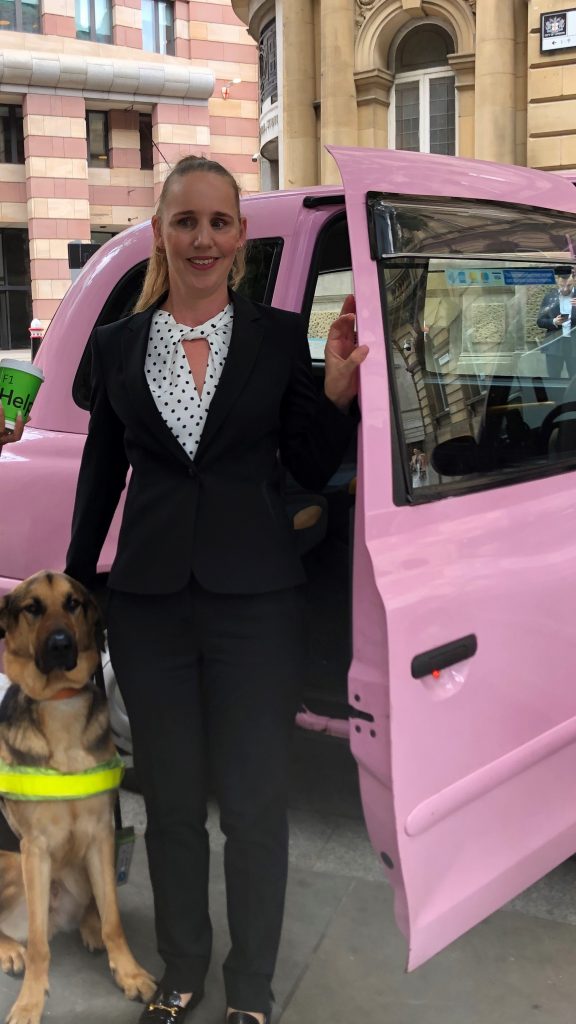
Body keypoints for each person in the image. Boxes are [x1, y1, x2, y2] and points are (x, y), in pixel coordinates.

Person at [65, 155, 368, 1024]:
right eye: (186, 221)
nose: (203, 238)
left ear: (240, 238)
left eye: (219, 222)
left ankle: (253, 990)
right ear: (163, 232)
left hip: (257, 607)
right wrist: (80, 600)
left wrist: (337, 394)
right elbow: (99, 481)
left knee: (254, 804)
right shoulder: (120, 345)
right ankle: (185, 970)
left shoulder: (277, 341)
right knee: (168, 805)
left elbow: (308, 464)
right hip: (152, 609)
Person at [536, 264, 576, 379]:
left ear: (574, 279)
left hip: (574, 345)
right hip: (554, 345)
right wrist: (554, 321)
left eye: (568, 285)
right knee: (553, 379)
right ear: (557, 280)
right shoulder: (549, 297)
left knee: (574, 382)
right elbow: (540, 321)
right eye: (562, 285)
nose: (565, 288)